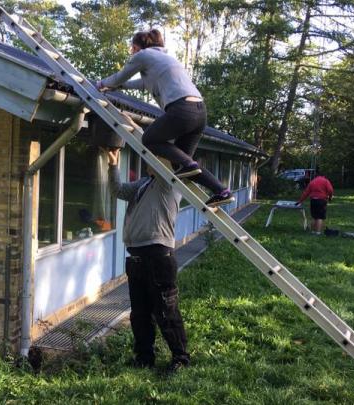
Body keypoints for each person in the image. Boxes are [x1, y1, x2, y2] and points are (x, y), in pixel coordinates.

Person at [96, 29, 233, 207]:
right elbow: (138, 84)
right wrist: (116, 87)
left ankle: (189, 165)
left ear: (138, 47)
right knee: (180, 166)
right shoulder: (164, 60)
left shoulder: (143, 55)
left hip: (182, 110)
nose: (131, 52)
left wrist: (101, 84)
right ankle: (221, 191)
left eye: (132, 48)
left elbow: (121, 76)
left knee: (150, 139)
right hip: (199, 113)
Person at [106, 148, 190, 373]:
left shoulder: (168, 183)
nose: (146, 159)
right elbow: (118, 190)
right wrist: (113, 165)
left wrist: (142, 132)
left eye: (150, 156)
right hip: (136, 258)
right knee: (140, 313)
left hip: (158, 256)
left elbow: (159, 151)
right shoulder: (144, 184)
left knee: (165, 310)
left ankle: (180, 358)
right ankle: (144, 357)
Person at [296, 169, 334, 235]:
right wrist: (330, 197)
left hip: (313, 200)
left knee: (314, 216)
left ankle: (313, 231)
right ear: (323, 176)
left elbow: (306, 193)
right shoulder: (325, 181)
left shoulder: (312, 181)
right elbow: (330, 190)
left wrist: (300, 201)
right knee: (320, 217)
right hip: (321, 200)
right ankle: (318, 232)